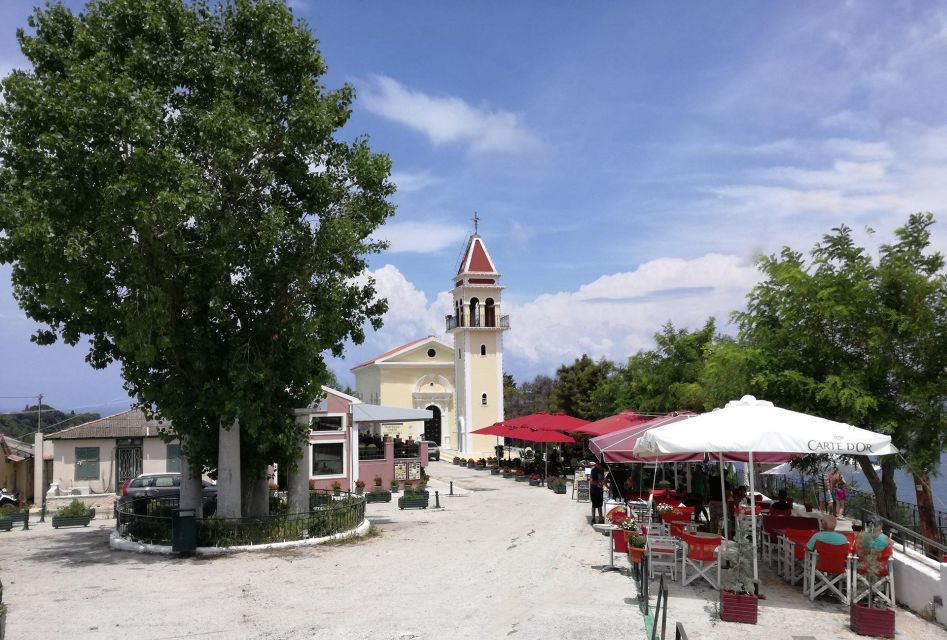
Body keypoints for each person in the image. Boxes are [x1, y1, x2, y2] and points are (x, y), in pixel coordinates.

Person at [589, 460, 607, 524]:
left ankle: (600, 519)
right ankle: (593, 518)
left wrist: (605, 484)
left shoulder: (601, 470)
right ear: (599, 465)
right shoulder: (594, 470)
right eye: (602, 467)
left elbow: (603, 479)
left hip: (600, 490)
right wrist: (600, 483)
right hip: (594, 490)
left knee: (600, 505)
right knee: (594, 505)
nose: (602, 469)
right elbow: (591, 481)